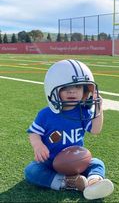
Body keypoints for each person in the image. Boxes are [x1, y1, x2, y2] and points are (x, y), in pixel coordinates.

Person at [24, 59, 114, 200]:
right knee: (31, 171)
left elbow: (96, 130)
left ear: (85, 90)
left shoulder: (83, 112)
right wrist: (38, 145)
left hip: (78, 161)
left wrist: (99, 109)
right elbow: (33, 133)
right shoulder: (46, 114)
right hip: (51, 161)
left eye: (78, 86)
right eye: (66, 88)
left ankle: (94, 182)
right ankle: (70, 182)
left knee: (97, 163)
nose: (72, 91)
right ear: (53, 89)